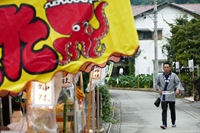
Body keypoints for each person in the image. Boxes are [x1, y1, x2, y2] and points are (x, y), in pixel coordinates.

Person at [156, 62, 184, 129]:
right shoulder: (159, 76)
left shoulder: (174, 75)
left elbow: (178, 83)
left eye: (167, 67)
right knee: (164, 110)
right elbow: (156, 83)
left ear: (170, 68)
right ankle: (164, 124)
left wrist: (177, 89)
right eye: (165, 67)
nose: (166, 69)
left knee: (172, 109)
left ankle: (173, 122)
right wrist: (158, 89)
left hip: (171, 94)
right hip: (163, 95)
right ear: (163, 68)